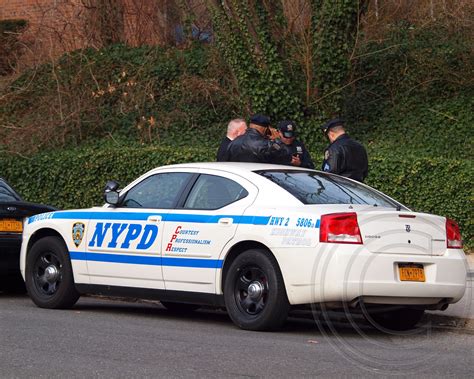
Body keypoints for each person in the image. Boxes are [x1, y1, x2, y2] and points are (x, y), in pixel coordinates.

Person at [227, 114, 292, 164]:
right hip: (257, 179)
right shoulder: (266, 145)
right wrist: (278, 140)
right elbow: (286, 155)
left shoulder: (233, 142)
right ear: (265, 129)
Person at [320, 118, 368, 182]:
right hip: (358, 188)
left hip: (340, 187)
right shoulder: (360, 146)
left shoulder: (334, 148)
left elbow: (329, 174)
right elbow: (365, 172)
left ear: (331, 134)